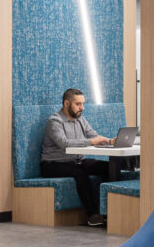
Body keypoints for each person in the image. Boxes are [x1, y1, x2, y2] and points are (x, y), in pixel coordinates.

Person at [40, 87, 114, 227]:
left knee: (108, 167)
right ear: (66, 104)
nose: (82, 108)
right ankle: (92, 214)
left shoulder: (80, 119)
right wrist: (91, 142)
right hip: (52, 164)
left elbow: (94, 136)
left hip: (76, 161)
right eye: (78, 104)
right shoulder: (54, 122)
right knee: (79, 172)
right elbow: (64, 143)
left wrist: (110, 141)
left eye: (83, 104)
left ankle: (108, 212)